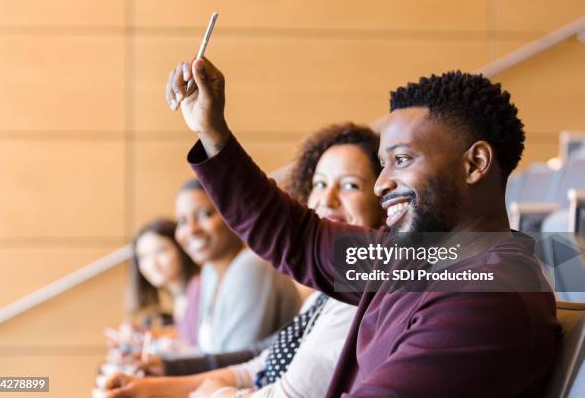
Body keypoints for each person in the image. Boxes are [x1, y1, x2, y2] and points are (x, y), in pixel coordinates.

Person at [162, 57, 561, 397]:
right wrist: (211, 131)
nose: (381, 183)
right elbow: (297, 236)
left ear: (474, 164)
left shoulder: (489, 296)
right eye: (383, 162)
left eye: (402, 160)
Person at [102, 124, 385, 397]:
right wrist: (149, 386)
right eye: (319, 184)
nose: (327, 198)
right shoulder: (322, 294)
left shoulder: (361, 292)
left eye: (350, 185)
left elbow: (273, 385)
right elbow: (259, 363)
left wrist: (207, 392)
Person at [175, 179, 301, 354]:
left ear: (235, 215)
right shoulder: (209, 272)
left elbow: (233, 359)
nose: (191, 230)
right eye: (182, 221)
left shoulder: (251, 266)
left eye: (204, 215)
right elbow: (207, 353)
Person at [122, 218, 201, 347]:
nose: (152, 264)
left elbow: (197, 345)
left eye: (160, 251)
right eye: (143, 257)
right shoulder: (181, 296)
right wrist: (148, 334)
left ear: (181, 248)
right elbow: (186, 335)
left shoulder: (198, 288)